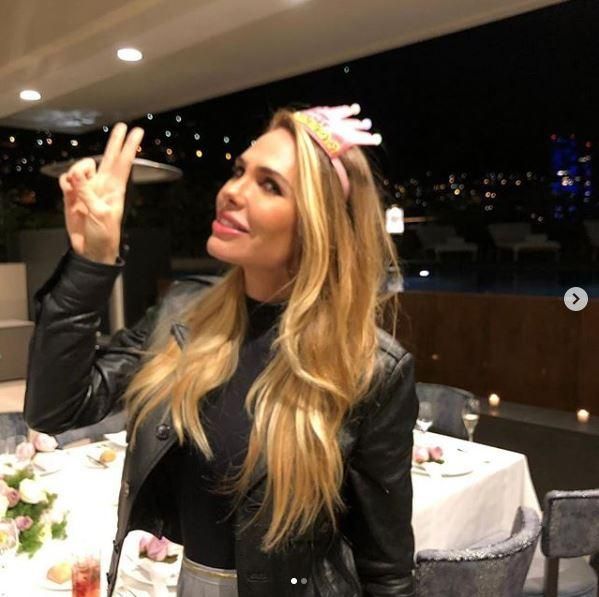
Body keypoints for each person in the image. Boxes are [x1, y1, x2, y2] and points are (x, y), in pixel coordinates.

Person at [24, 104, 418, 597]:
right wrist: (91, 263)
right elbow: (56, 410)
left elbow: (386, 567)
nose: (232, 191)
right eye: (239, 171)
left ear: (318, 226)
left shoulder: (369, 368)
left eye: (269, 185)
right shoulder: (184, 313)